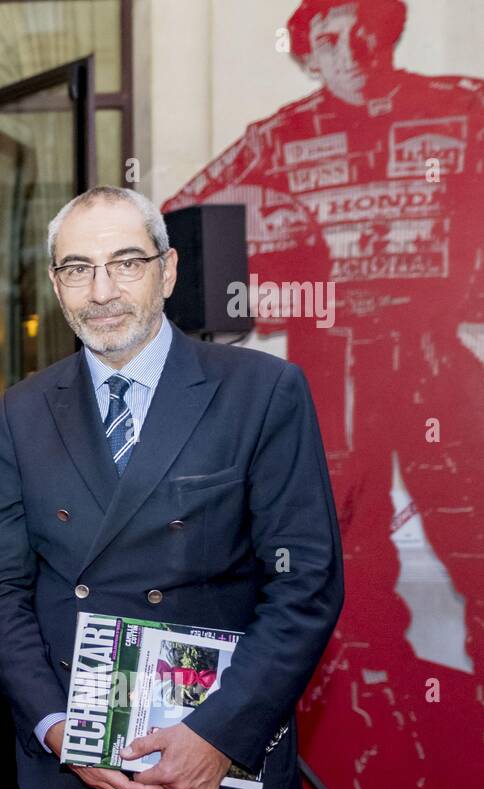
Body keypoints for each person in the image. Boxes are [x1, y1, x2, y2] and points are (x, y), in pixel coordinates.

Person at [0, 187, 343, 789]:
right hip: (74, 781)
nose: (102, 290)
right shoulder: (25, 410)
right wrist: (58, 729)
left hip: (209, 776)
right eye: (78, 268)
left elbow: (306, 585)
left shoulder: (261, 392)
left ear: (168, 271)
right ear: (57, 286)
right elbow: (2, 590)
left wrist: (219, 734)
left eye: (126, 263)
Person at [163, 0, 484, 674]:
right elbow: (183, 220)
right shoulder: (279, 135)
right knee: (345, 537)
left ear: (389, 33)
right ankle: (377, 692)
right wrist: (261, 296)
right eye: (329, 36)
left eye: (364, 28)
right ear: (308, 53)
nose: (350, 48)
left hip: (429, 351)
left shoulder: (463, 106)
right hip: (330, 359)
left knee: (471, 522)